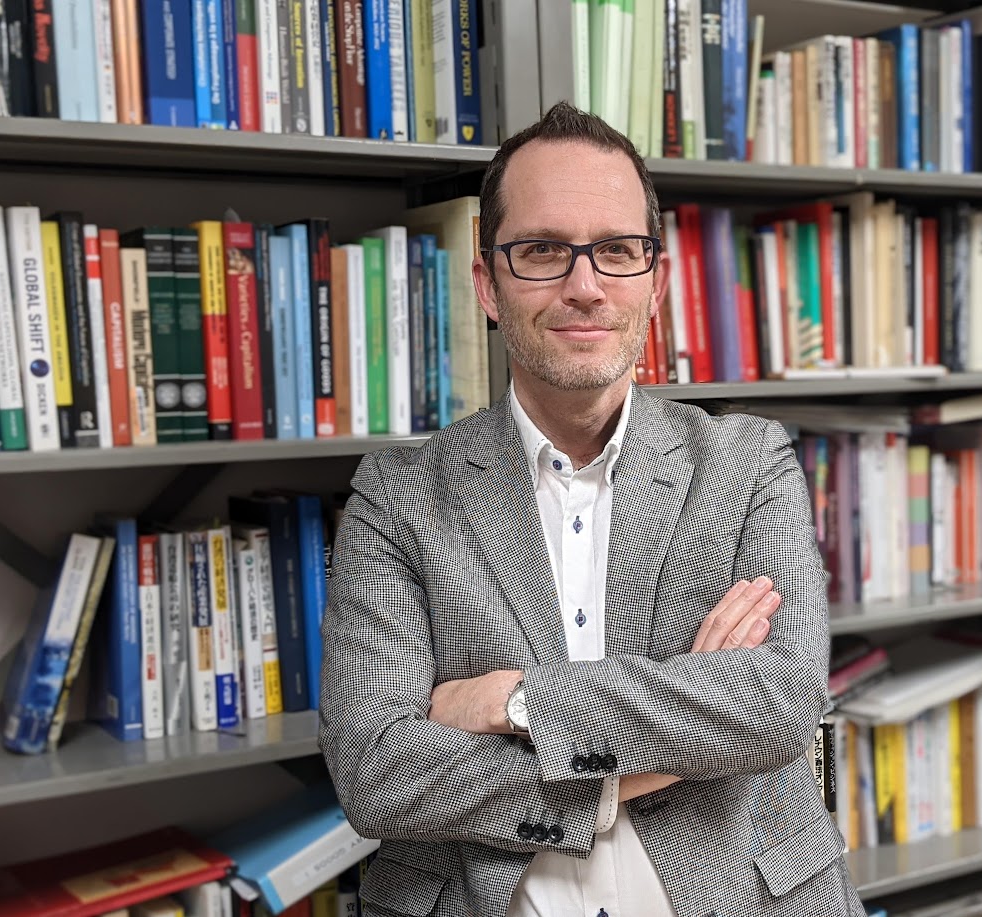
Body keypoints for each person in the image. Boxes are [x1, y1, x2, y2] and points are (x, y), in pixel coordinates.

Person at [319, 101, 865, 917]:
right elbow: (376, 771)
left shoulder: (748, 462)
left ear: (657, 280)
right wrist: (655, 748)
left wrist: (512, 703)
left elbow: (778, 706)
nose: (584, 286)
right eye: (542, 250)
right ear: (489, 284)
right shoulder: (398, 497)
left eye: (616, 250)